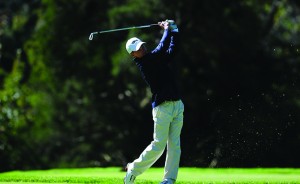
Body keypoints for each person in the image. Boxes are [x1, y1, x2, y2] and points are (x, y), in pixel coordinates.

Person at [123, 20, 184, 184]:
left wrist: (174, 30)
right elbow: (163, 47)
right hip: (162, 108)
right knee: (158, 146)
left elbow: (173, 50)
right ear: (133, 55)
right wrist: (166, 29)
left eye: (141, 46)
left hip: (177, 104)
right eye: (137, 50)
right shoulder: (145, 64)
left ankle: (169, 180)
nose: (141, 49)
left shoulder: (155, 58)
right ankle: (132, 170)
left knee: (174, 146)